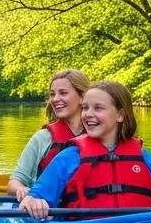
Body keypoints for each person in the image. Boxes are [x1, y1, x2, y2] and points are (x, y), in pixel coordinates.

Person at [20, 80, 151, 219]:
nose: (88, 114)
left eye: (98, 108)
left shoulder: (143, 158)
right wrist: (34, 203)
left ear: (120, 115)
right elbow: (34, 197)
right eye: (85, 108)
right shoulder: (69, 157)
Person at [7, 69, 90, 202]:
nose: (55, 99)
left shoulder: (99, 135)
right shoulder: (42, 138)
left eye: (63, 93)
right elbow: (14, 183)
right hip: (47, 213)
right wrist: (21, 189)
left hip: (89, 212)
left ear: (82, 97)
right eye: (52, 94)